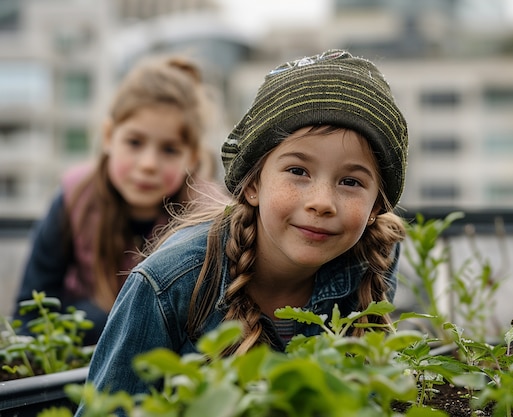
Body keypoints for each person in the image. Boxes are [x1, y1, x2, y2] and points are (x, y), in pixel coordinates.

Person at [77, 48, 409, 404]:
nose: (322, 202)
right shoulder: (167, 284)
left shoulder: (373, 254)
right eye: (298, 171)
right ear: (252, 184)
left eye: (351, 182)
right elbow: (108, 409)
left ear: (377, 205)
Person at [12, 54, 212, 345]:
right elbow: (29, 310)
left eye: (169, 150)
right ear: (108, 136)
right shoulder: (74, 199)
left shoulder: (207, 219)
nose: (148, 164)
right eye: (134, 142)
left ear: (192, 158)